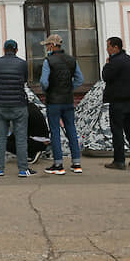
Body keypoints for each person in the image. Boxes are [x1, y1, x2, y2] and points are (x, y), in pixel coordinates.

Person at [0, 39, 36, 178]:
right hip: (19, 105)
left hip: (1, 104)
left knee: (1, 138)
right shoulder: (22, 64)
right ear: (16, 50)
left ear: (4, 50)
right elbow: (25, 80)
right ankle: (22, 169)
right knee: (21, 139)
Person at [39, 34, 84, 175]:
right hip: (68, 100)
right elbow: (80, 79)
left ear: (52, 45)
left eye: (47, 45)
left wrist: (49, 90)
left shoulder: (48, 61)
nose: (46, 48)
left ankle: (58, 165)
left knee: (55, 132)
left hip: (53, 101)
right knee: (71, 130)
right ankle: (76, 163)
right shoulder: (72, 60)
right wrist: (69, 88)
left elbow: (43, 82)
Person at [101, 36, 130, 170]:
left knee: (117, 131)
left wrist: (107, 64)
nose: (107, 49)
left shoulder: (114, 62)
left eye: (108, 46)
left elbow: (106, 77)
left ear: (115, 47)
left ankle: (119, 160)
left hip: (117, 101)